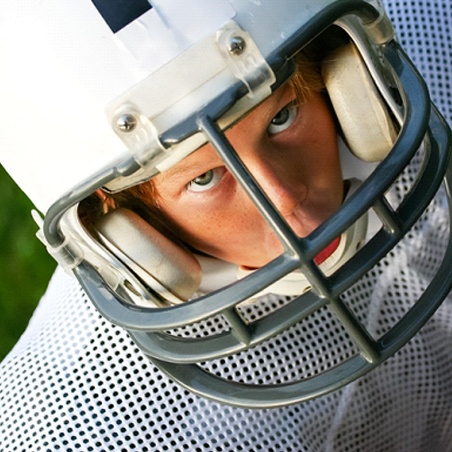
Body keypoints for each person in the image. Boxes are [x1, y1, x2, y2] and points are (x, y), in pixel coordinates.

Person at [0, 1, 451, 451]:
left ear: (343, 70)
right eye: (204, 178)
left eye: (281, 116)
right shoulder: (94, 430)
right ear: (119, 232)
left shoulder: (428, 33)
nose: (284, 196)